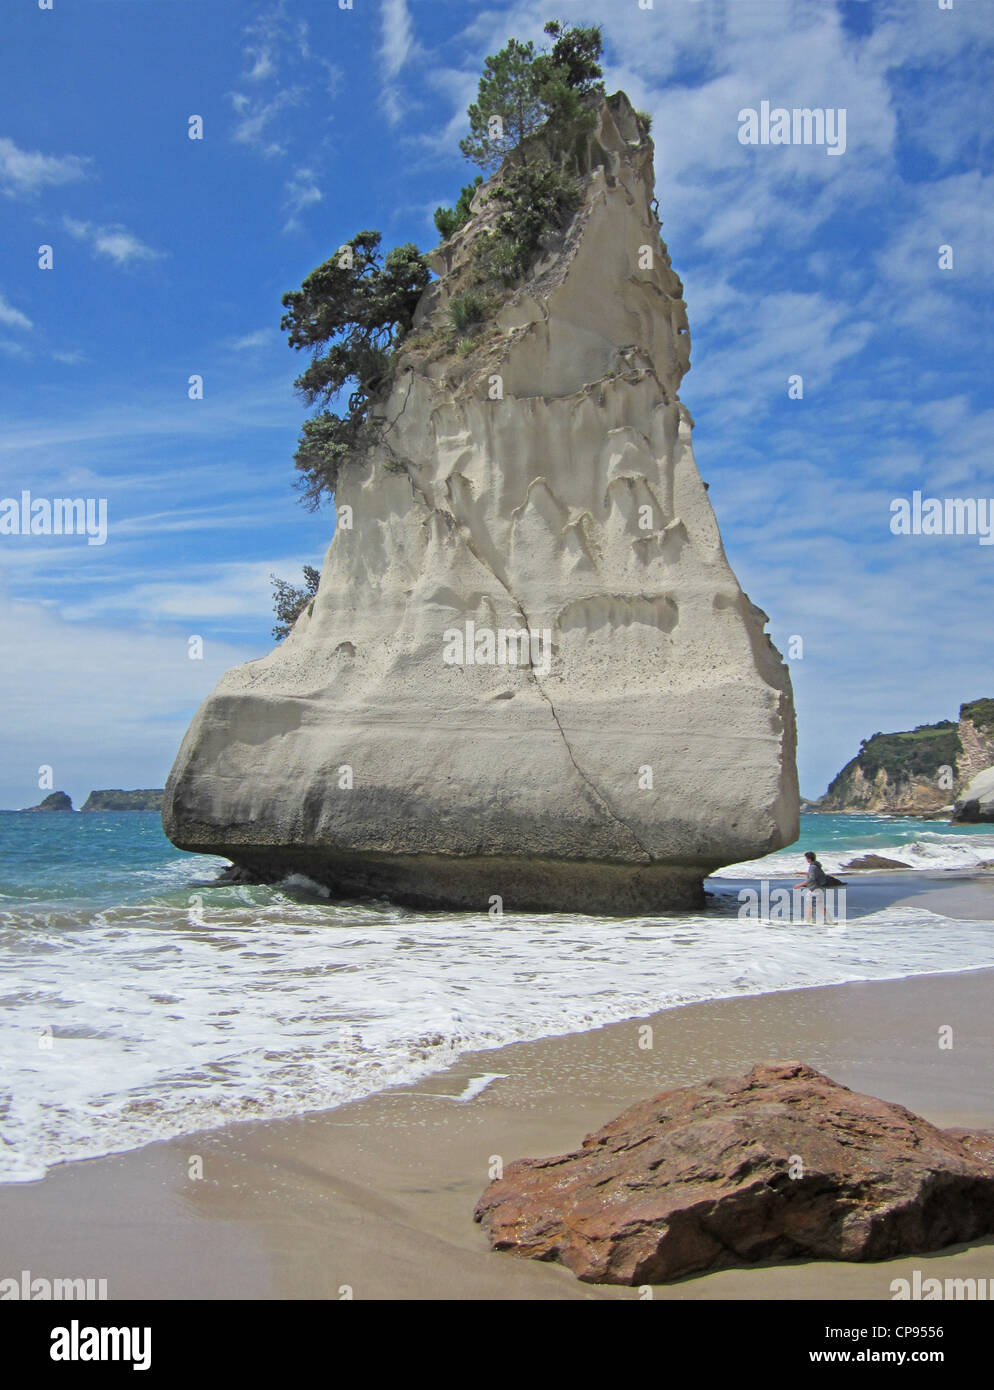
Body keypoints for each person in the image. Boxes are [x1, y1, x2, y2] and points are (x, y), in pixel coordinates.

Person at [793, 850, 834, 924]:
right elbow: (814, 874)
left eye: (806, 858)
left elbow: (812, 878)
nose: (806, 860)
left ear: (809, 858)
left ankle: (808, 922)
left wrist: (799, 885)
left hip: (814, 890)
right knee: (814, 906)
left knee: (815, 906)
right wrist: (802, 873)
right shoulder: (816, 865)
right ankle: (811, 921)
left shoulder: (812, 866)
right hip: (816, 889)